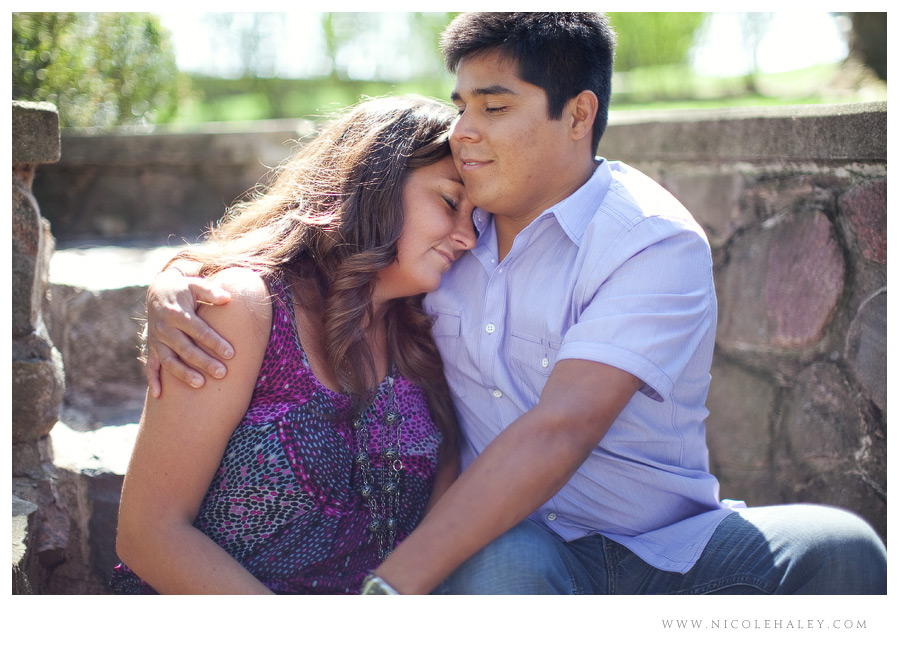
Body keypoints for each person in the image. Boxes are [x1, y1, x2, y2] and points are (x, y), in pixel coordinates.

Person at [145, 13, 887, 595]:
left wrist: (385, 597)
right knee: (506, 571)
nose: (464, 132)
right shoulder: (437, 253)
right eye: (461, 105)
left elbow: (560, 429)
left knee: (845, 551)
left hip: (665, 548)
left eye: (494, 107)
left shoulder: (651, 240)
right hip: (517, 546)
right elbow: (305, 253)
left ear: (577, 114)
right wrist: (177, 279)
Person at [111, 95, 477, 594]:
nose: (468, 237)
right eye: (451, 202)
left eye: (478, 218)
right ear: (377, 186)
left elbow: (445, 497)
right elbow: (149, 534)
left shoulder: (426, 333)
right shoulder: (243, 309)